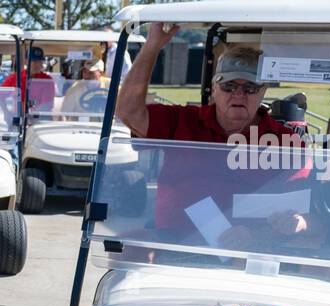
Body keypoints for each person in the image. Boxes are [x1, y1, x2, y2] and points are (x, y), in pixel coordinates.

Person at [118, 30, 301, 235]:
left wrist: (258, 237)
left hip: (248, 245)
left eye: (250, 87)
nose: (239, 95)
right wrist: (152, 45)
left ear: (264, 90)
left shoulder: (284, 140)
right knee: (128, 245)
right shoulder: (183, 120)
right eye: (228, 86)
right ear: (214, 88)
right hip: (174, 239)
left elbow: (299, 207)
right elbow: (128, 112)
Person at [0, 45, 56, 111]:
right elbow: (0, 94)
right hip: (18, 117)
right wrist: (6, 112)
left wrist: (33, 113)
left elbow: (47, 104)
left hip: (40, 117)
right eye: (34, 61)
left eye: (40, 61)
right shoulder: (15, 78)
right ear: (26, 62)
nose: (38, 64)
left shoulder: (47, 80)